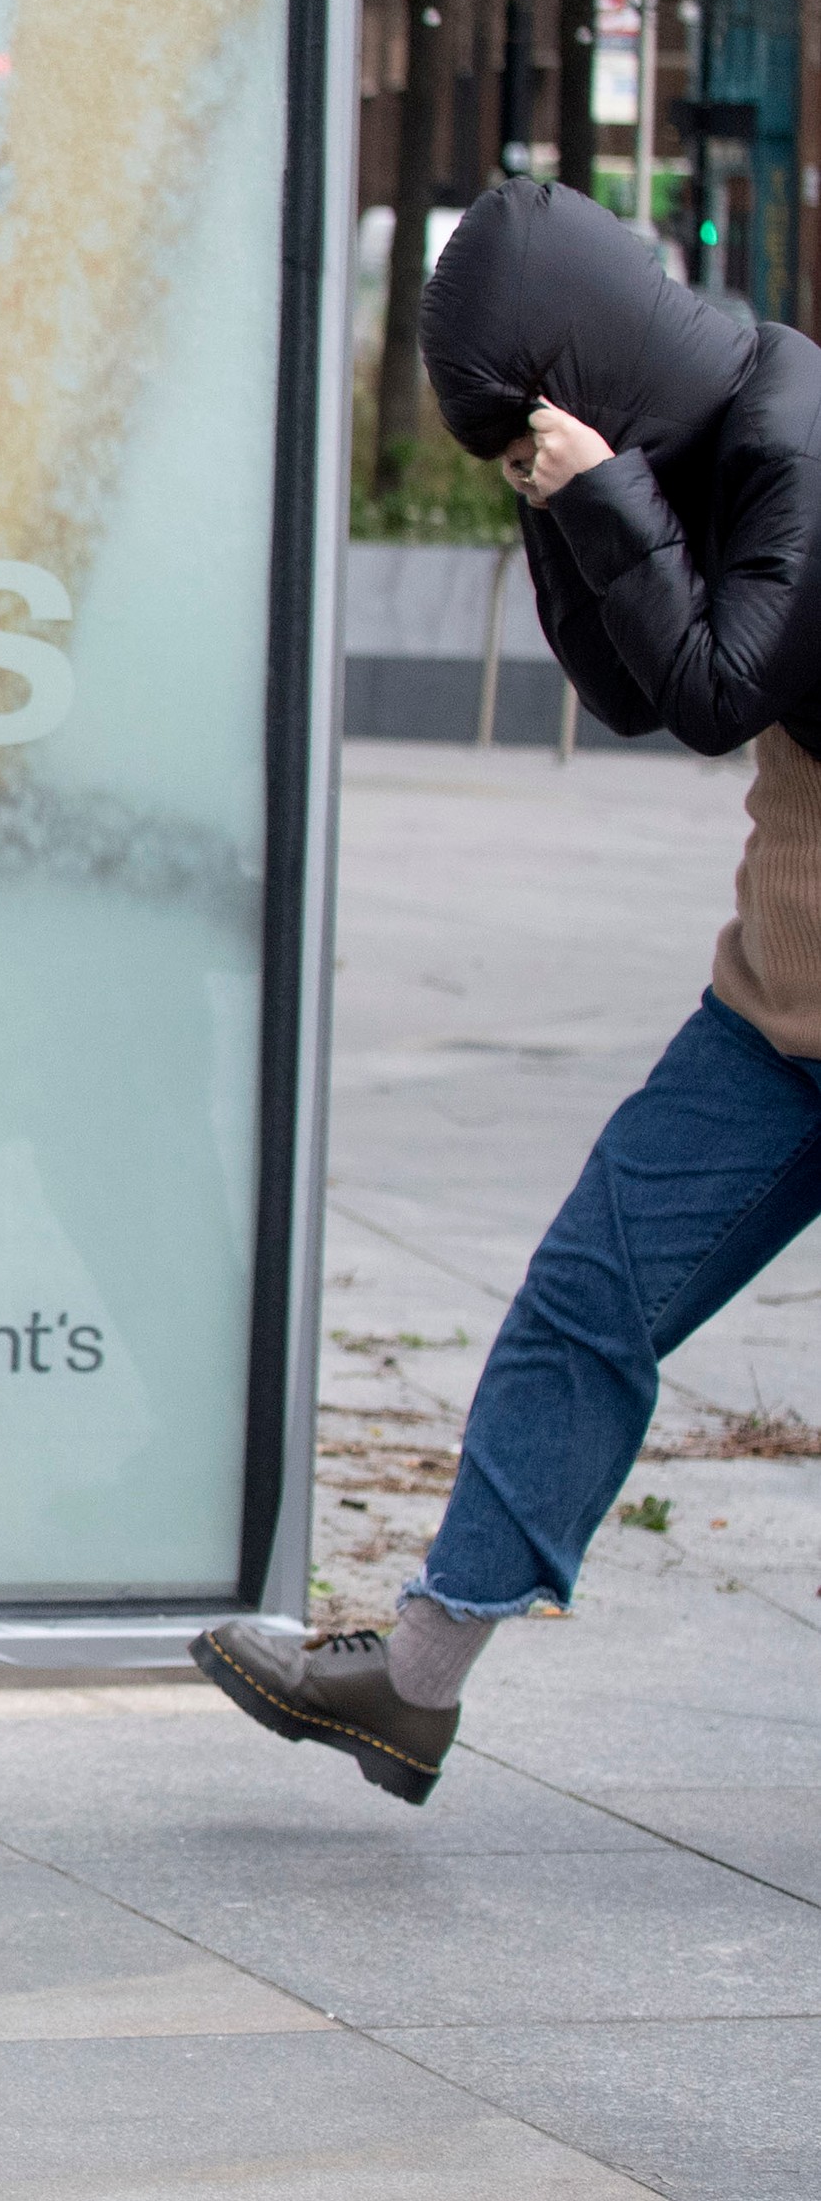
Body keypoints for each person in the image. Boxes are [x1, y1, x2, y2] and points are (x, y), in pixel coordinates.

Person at [199, 175, 821, 1798]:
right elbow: (626, 687)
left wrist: (603, 496)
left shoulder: (803, 434)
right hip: (784, 1005)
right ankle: (411, 1683)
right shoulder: (694, 448)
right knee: (585, 1297)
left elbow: (713, 688)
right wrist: (565, 508)